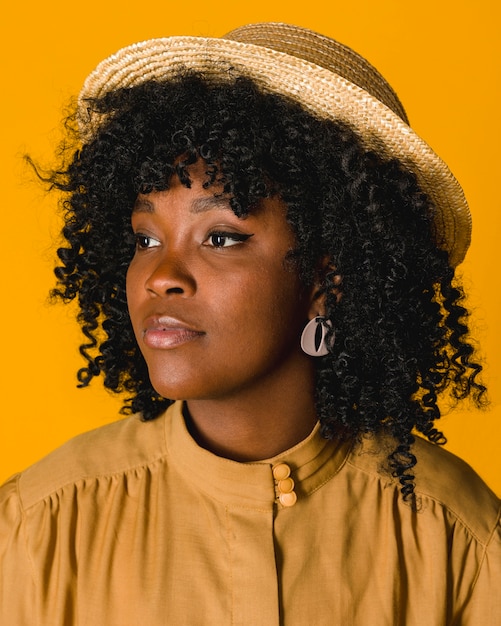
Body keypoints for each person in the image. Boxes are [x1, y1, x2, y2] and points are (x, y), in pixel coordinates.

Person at [0, 22, 499, 625]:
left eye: (220, 236)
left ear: (327, 281)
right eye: (145, 237)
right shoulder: (35, 527)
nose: (161, 275)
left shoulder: (461, 540)